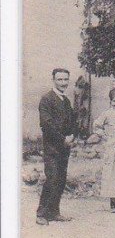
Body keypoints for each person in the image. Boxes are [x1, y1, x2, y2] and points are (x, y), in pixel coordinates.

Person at [36, 68, 77, 225]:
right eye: (60, 79)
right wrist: (62, 139)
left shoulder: (66, 101)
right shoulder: (46, 99)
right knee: (52, 179)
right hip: (52, 148)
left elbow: (73, 121)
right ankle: (41, 213)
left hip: (64, 148)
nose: (63, 83)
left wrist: (72, 135)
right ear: (53, 80)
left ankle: (54, 212)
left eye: (65, 79)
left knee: (61, 179)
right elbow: (46, 124)